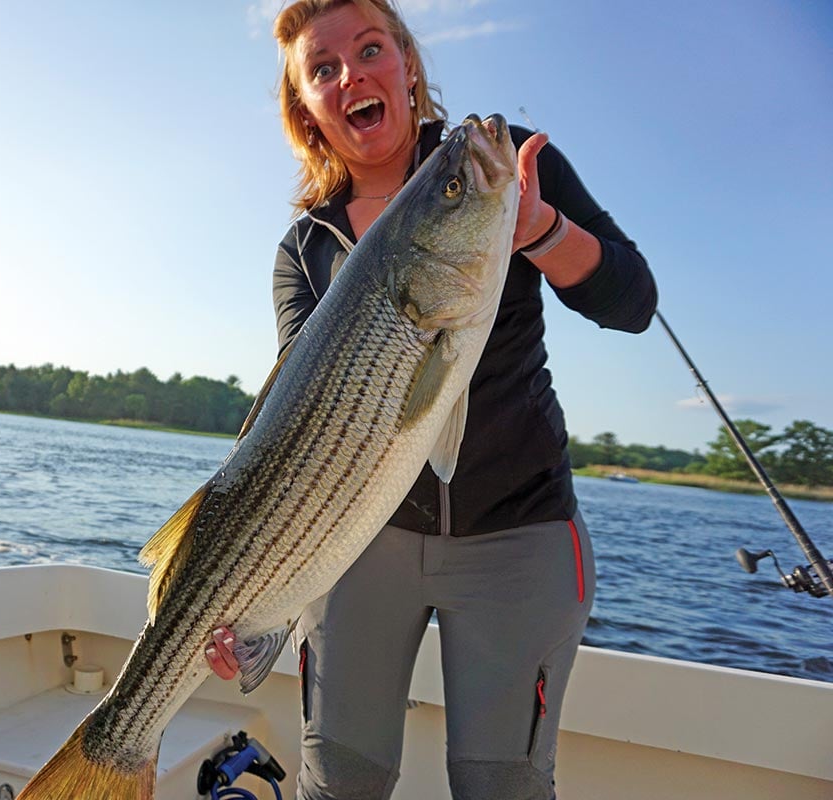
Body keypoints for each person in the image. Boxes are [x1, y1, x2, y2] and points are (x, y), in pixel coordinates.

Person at [204, 1, 658, 799]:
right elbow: (295, 427)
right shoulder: (305, 248)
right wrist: (231, 586)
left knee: (502, 784)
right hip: (360, 538)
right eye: (323, 69)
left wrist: (541, 227)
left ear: (408, 64)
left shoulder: (501, 169)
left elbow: (633, 302)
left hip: (520, 531)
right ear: (305, 110)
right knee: (340, 780)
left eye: (371, 48)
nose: (352, 76)